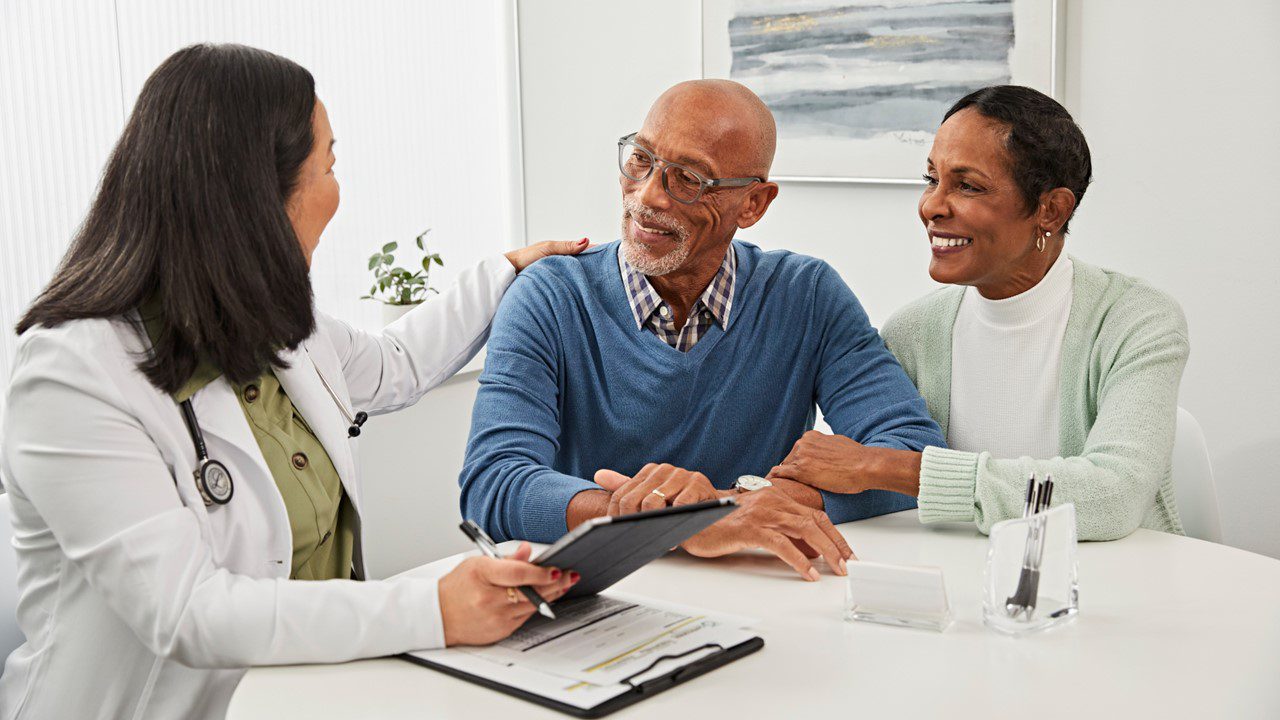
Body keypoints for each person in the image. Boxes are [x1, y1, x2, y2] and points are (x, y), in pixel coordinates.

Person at [0, 44, 585, 720]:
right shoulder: (70, 374)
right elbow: (188, 611)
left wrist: (507, 271)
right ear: (258, 196)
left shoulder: (273, 321)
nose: (338, 189)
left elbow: (396, 366)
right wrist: (434, 607)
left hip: (306, 700)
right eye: (329, 164)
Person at [459, 80, 944, 580]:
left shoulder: (808, 294)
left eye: (688, 178)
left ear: (753, 204)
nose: (647, 196)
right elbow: (493, 485)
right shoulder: (549, 295)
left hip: (760, 591)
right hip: (602, 592)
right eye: (640, 159)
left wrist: (728, 508)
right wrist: (681, 522)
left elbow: (908, 459)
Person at [767, 85, 1189, 541]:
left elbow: (1114, 495)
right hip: (961, 586)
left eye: (967, 185)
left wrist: (894, 466)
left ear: (1050, 209)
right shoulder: (913, 332)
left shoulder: (1135, 321)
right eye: (932, 179)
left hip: (1122, 587)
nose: (931, 206)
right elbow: (860, 484)